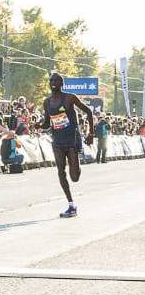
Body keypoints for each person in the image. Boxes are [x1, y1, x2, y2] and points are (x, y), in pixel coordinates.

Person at [40, 72, 94, 218]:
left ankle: (76, 165)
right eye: (51, 80)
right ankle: (71, 205)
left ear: (61, 83)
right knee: (60, 171)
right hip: (57, 140)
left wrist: (90, 133)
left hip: (71, 138)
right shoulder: (47, 102)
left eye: (56, 80)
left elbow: (88, 111)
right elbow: (47, 122)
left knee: (74, 176)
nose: (53, 82)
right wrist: (38, 125)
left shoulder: (70, 98)